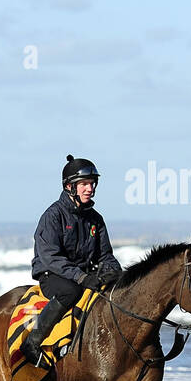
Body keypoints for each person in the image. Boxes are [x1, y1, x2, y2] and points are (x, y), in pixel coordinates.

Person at [20, 155, 123, 365]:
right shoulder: (52, 216)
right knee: (71, 291)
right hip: (53, 275)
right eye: (84, 184)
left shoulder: (96, 219)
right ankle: (32, 342)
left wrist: (115, 272)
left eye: (92, 183)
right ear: (69, 186)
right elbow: (51, 257)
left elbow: (105, 254)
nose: (90, 188)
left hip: (82, 274)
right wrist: (82, 277)